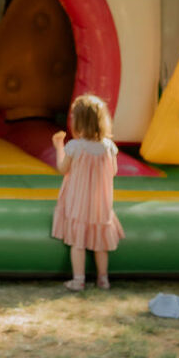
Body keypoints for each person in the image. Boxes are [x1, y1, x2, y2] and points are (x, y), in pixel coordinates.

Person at [51, 93, 124, 291]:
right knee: (100, 244)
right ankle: (103, 279)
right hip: (101, 205)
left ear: (79, 122)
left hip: (79, 203)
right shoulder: (109, 147)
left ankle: (78, 280)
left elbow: (63, 169)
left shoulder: (74, 146)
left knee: (78, 243)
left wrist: (59, 146)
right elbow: (114, 171)